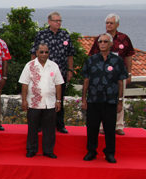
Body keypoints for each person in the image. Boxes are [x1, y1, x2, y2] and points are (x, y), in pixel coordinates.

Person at [82, 33, 127, 164]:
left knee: (109, 128)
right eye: (100, 41)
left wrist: (120, 101)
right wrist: (84, 99)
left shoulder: (117, 61)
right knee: (92, 127)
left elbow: (120, 82)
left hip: (110, 100)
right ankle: (91, 151)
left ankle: (110, 153)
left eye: (105, 41)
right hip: (93, 99)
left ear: (111, 44)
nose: (102, 43)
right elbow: (86, 80)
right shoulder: (91, 60)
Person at [88, 14, 135, 136]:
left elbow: (129, 56)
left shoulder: (124, 39)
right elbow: (92, 56)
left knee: (120, 99)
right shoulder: (101, 38)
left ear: (117, 25)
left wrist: (129, 74)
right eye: (107, 23)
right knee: (103, 101)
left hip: (119, 75)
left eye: (111, 23)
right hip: (102, 76)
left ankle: (119, 126)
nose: (108, 25)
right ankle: (103, 126)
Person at [30, 12, 75, 134]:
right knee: (41, 98)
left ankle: (60, 124)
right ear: (49, 21)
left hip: (60, 73)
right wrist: (33, 70)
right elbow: (34, 52)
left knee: (59, 99)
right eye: (56, 21)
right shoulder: (42, 34)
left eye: (60, 21)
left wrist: (70, 70)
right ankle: (39, 124)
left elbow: (70, 53)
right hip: (42, 73)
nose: (58, 23)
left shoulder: (65, 35)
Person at [19, 44, 64, 159]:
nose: (44, 54)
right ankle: (31, 149)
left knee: (49, 129)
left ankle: (48, 150)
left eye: (46, 52)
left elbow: (58, 84)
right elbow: (24, 84)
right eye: (42, 52)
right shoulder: (29, 66)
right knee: (33, 128)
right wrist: (24, 100)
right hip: (33, 103)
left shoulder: (54, 66)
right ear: (37, 53)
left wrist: (58, 100)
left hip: (50, 103)